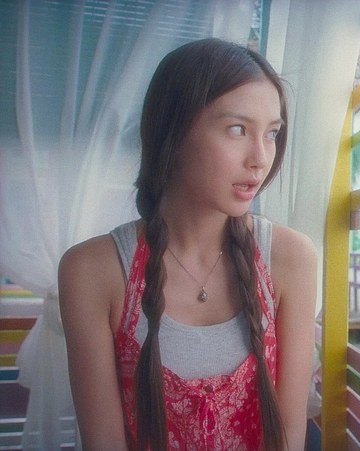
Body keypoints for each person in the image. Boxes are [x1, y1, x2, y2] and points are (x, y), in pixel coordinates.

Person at [58, 38, 317, 450]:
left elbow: (288, 433)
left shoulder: (289, 259)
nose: (260, 157)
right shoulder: (94, 271)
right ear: (174, 132)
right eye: (237, 129)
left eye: (272, 133)